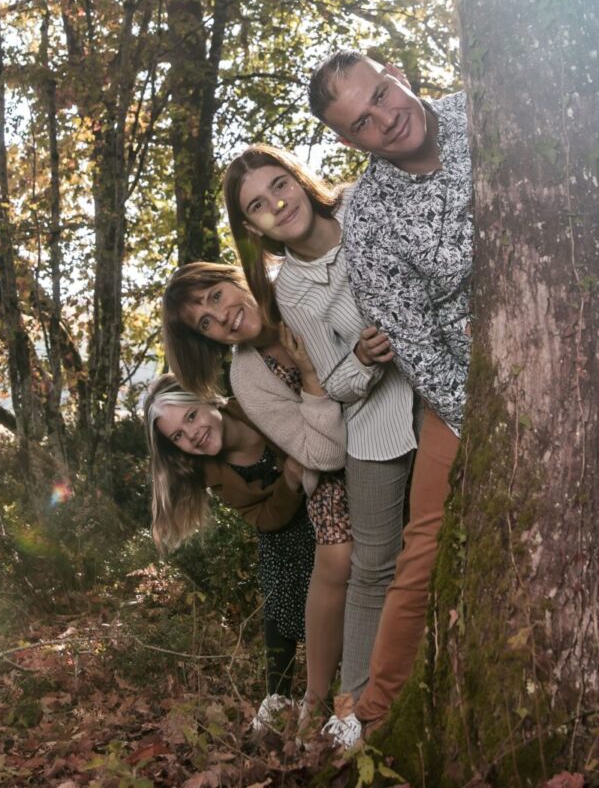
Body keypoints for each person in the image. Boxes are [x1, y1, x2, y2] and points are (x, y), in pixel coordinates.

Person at [308, 50, 599, 731]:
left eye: (385, 94)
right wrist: (501, 430)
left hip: (573, 360)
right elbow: (415, 344)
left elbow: (596, 202)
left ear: (398, 73)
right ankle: (373, 718)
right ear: (347, 141)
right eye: (362, 122)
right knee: (423, 546)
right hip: (465, 390)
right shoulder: (366, 218)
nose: (387, 118)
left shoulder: (491, 115)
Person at [221, 144, 415, 705]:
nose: (277, 204)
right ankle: (348, 704)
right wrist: (362, 358)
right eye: (258, 205)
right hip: (369, 421)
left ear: (299, 180)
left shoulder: (362, 204)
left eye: (279, 185)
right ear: (252, 228)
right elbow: (336, 384)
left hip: (441, 390)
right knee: (364, 563)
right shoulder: (289, 292)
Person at [161, 264, 358, 745]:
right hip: (299, 499)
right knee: (290, 574)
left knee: (331, 561)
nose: (219, 316)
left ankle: (329, 687)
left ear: (208, 403)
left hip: (358, 433)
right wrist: (293, 472)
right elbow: (269, 514)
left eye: (215, 296)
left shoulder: (295, 299)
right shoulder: (219, 461)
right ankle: (294, 694)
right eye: (204, 322)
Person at [144, 374, 314, 733]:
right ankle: (278, 694)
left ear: (208, 400)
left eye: (191, 416)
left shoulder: (255, 401)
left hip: (328, 491)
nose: (192, 434)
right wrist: (291, 481)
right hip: (286, 522)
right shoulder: (212, 472)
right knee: (279, 585)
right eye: (178, 436)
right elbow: (264, 518)